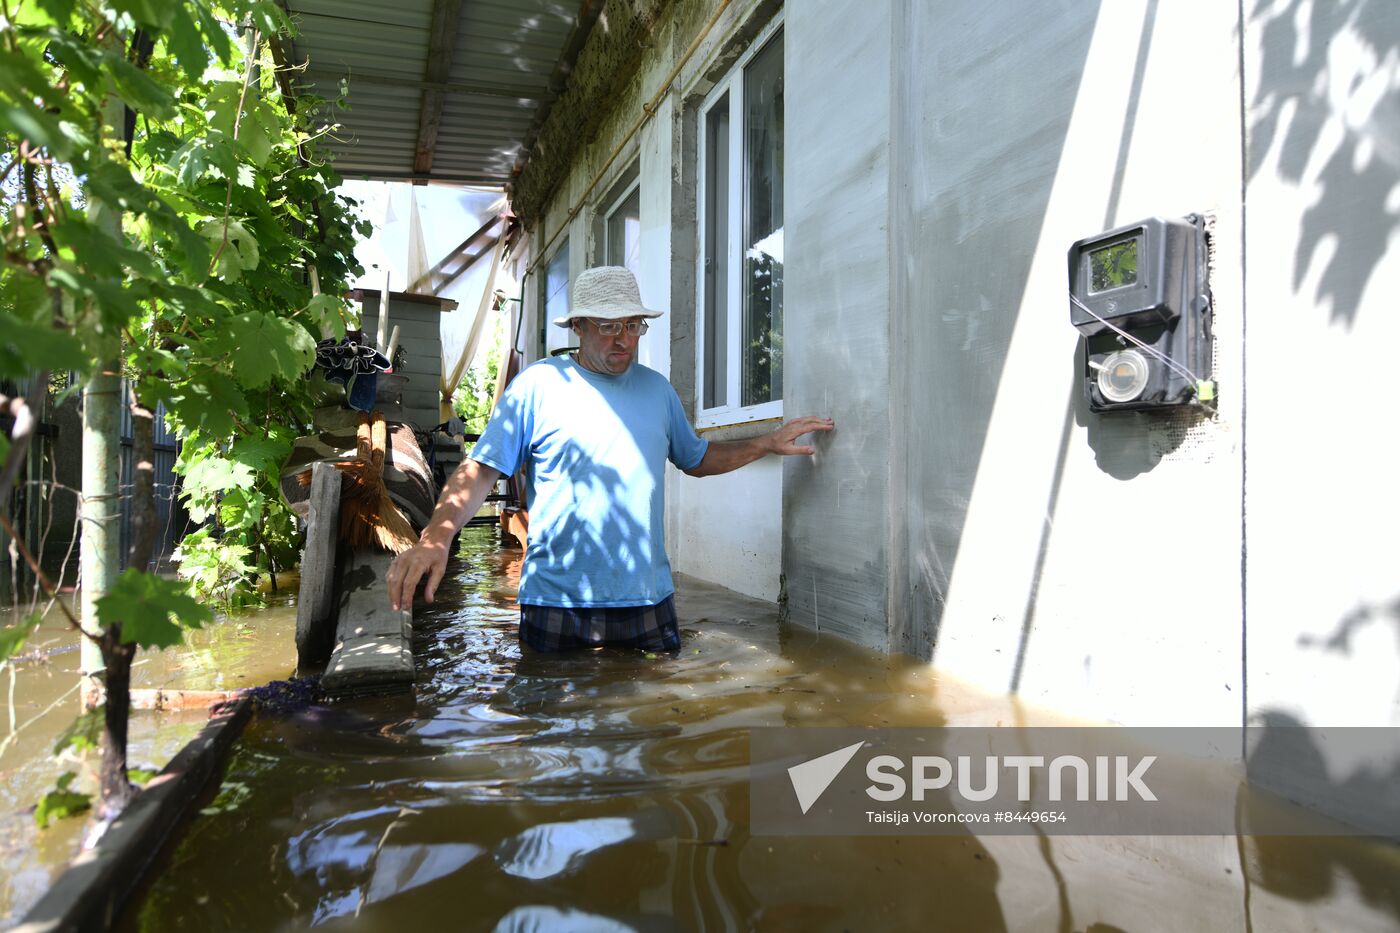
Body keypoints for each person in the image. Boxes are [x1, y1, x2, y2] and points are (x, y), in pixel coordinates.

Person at [386, 266, 833, 652]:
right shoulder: (538, 387)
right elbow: (481, 469)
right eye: (608, 326)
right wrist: (435, 538)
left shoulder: (658, 391)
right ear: (577, 327)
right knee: (551, 729)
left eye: (633, 325)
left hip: (647, 600)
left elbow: (697, 458)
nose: (624, 340)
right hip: (557, 602)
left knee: (653, 729)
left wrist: (765, 442)